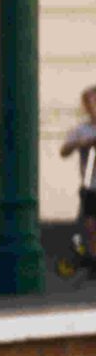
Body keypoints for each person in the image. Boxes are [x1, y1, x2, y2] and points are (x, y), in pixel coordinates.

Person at [62, 87, 96, 279]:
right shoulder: (81, 130)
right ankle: (93, 261)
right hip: (90, 184)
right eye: (91, 103)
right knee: (91, 226)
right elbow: (64, 151)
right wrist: (80, 144)